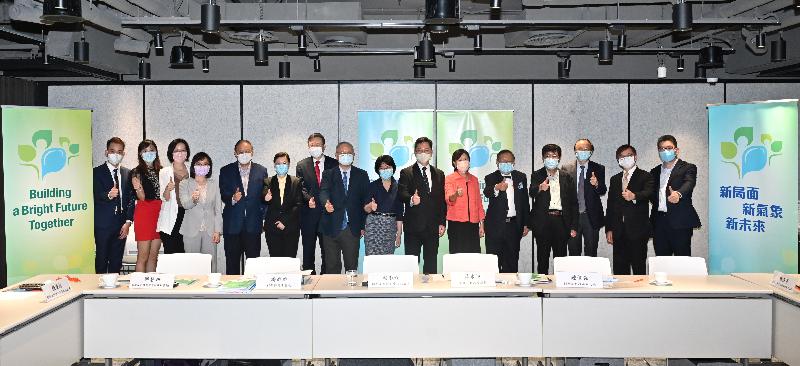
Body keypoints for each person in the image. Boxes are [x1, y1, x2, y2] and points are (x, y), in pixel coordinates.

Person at [319, 141, 370, 274]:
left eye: (348, 153)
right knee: (331, 267)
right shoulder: (328, 174)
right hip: (331, 226)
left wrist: (363, 225)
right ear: (336, 156)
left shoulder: (362, 175)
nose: (345, 155)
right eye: (342, 153)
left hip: (351, 228)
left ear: (353, 155)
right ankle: (331, 295)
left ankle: (350, 294)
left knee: (351, 267)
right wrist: (326, 203)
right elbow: (323, 191)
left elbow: (365, 201)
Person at [219, 140, 269, 275]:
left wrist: (263, 218)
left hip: (253, 225)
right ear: (235, 153)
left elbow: (264, 197)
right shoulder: (226, 170)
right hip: (233, 225)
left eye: (247, 151)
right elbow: (223, 194)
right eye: (241, 152)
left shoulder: (261, 170)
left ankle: (252, 294)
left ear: (252, 152)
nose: (244, 154)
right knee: (232, 264)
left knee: (253, 266)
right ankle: (232, 294)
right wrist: (232, 199)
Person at [398, 137, 446, 274]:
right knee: (412, 265)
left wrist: (442, 222)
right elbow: (401, 194)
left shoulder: (439, 174)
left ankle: (430, 291)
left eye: (426, 150)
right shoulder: (406, 172)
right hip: (413, 227)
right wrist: (412, 199)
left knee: (431, 263)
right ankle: (411, 293)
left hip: (432, 227)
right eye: (419, 150)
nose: (423, 153)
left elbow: (441, 200)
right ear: (414, 152)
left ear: (431, 152)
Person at [529, 144, 578, 274]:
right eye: (548, 156)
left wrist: (573, 226)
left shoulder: (566, 177)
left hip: (561, 221)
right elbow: (531, 192)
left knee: (560, 259)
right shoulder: (537, 175)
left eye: (554, 156)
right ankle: (541, 290)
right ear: (543, 158)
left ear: (559, 158)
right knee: (542, 258)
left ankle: (559, 290)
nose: (551, 159)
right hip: (542, 222)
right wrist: (540, 188)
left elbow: (574, 203)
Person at [606, 145, 654, 275]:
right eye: (621, 157)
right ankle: (621, 295)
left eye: (628, 155)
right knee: (620, 270)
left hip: (638, 231)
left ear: (635, 157)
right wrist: (609, 228)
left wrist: (634, 196)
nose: (625, 158)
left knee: (639, 268)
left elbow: (649, 193)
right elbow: (610, 205)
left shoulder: (646, 176)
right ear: (618, 160)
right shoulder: (615, 179)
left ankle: (640, 294)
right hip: (618, 231)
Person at [649, 135, 701, 256]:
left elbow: (689, 182)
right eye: (661, 149)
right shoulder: (654, 171)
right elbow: (650, 193)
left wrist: (678, 193)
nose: (665, 151)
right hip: (659, 222)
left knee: (682, 262)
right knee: (661, 261)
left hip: (680, 222)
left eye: (668, 148)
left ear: (676, 150)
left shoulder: (688, 167)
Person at [296, 133, 338, 274]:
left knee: (327, 252)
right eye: (312, 145)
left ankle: (325, 281)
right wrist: (308, 199)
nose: (315, 147)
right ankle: (309, 284)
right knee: (308, 251)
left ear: (324, 146)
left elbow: (337, 187)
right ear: (308, 147)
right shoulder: (301, 165)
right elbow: (300, 187)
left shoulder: (333, 164)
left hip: (328, 215)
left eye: (318, 145)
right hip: (308, 215)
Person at [483, 150, 530, 273]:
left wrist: (526, 223)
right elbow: (487, 192)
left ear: (514, 163)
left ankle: (511, 291)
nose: (507, 163)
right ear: (497, 162)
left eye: (509, 161)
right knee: (494, 262)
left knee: (512, 261)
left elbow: (525, 201)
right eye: (503, 161)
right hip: (495, 226)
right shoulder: (491, 177)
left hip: (514, 226)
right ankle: (494, 291)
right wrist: (497, 188)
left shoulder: (521, 177)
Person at [93, 137, 134, 273]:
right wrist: (108, 195)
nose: (115, 155)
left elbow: (131, 200)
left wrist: (128, 222)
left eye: (119, 152)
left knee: (116, 261)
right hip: (103, 224)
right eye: (112, 151)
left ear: (123, 154)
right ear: (106, 152)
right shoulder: (96, 172)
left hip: (121, 225)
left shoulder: (128, 173)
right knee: (101, 260)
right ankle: (98, 292)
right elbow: (94, 194)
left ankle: (114, 292)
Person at [561, 138, 606, 257]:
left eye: (586, 149)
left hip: (590, 216)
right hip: (572, 217)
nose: (583, 151)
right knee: (573, 251)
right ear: (575, 151)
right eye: (580, 149)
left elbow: (603, 190)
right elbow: (564, 193)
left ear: (591, 152)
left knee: (591, 252)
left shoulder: (598, 168)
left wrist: (596, 184)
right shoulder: (566, 168)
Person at [179, 152, 222, 272]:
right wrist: (193, 199)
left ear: (209, 167)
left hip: (210, 230)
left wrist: (217, 231)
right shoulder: (185, 183)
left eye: (205, 164)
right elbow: (185, 205)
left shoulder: (214, 184)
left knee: (210, 264)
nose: (202, 167)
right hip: (191, 230)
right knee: (192, 265)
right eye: (199, 164)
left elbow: (218, 209)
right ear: (193, 166)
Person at [263, 152, 306, 258]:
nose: (281, 166)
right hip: (272, 228)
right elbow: (263, 197)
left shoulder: (296, 181)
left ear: (289, 164)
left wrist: (284, 221)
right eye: (278, 163)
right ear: (274, 165)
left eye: (284, 163)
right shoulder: (268, 181)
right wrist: (266, 198)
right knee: (275, 261)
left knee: (289, 261)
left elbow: (298, 204)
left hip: (291, 227)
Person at [130, 139, 163, 273]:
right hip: (145, 212)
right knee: (142, 257)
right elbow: (142, 197)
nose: (149, 153)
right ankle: (139, 289)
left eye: (151, 150)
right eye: (145, 151)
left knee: (154, 257)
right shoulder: (136, 172)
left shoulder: (162, 171)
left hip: (160, 213)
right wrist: (138, 188)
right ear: (140, 154)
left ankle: (151, 288)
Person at [444, 149, 485, 254]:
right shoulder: (450, 178)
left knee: (474, 256)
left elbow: (479, 203)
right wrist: (456, 194)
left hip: (473, 224)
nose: (463, 162)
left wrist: (482, 224)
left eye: (465, 159)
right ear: (454, 162)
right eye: (460, 159)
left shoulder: (474, 179)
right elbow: (449, 200)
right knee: (457, 257)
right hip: (457, 225)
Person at [363, 155, 404, 256]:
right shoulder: (372, 186)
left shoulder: (399, 187)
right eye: (382, 168)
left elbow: (399, 212)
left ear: (393, 168)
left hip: (391, 225)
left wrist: (399, 234)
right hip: (373, 225)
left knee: (387, 260)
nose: (385, 170)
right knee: (372, 259)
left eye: (387, 168)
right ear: (378, 170)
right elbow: (365, 208)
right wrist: (370, 206)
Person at [157, 138, 190, 254]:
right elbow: (164, 197)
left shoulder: (192, 171)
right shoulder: (165, 172)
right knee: (171, 254)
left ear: (187, 153)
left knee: (184, 254)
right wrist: (168, 189)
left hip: (187, 217)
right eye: (176, 151)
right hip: (171, 217)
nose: (180, 153)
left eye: (183, 150)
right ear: (171, 153)